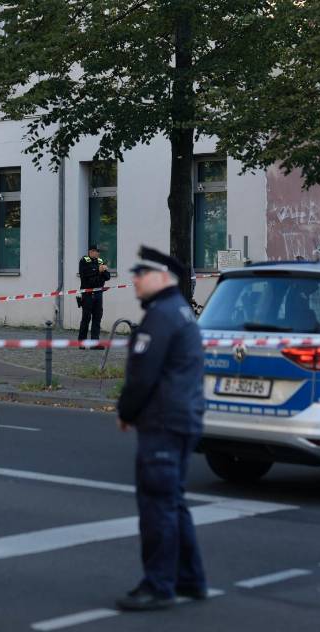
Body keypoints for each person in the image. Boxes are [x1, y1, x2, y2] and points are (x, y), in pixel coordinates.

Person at [115, 245, 207, 612]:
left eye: (140, 274)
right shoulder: (180, 312)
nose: (134, 281)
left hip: (164, 422)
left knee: (157, 506)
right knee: (173, 503)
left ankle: (158, 585)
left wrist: (126, 411)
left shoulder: (161, 316)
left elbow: (142, 374)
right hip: (183, 418)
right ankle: (190, 578)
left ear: (161, 277)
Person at [77, 243, 111, 345]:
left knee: (97, 317)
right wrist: (97, 270)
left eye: (99, 252)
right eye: (96, 251)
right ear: (91, 251)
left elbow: (107, 276)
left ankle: (94, 342)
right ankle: (82, 342)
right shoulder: (84, 261)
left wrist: (103, 270)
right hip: (88, 293)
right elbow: (85, 274)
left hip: (98, 293)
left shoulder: (100, 261)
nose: (98, 253)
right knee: (86, 318)